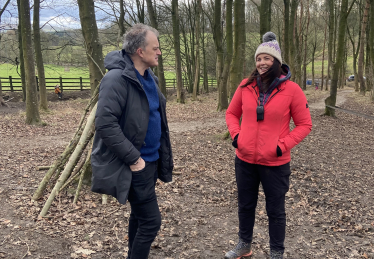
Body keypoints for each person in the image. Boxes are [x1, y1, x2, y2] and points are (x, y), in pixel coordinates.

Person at [225, 32, 312, 259]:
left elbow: (304, 124)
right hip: (244, 159)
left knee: (275, 211)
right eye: (258, 59)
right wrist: (236, 137)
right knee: (245, 205)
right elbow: (232, 113)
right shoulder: (245, 86)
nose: (262, 63)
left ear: (277, 61)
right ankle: (244, 245)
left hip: (275, 162)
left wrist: (282, 146)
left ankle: (276, 253)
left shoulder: (292, 90)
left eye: (267, 58)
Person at [90, 23, 173, 259]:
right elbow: (105, 124)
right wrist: (134, 158)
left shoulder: (149, 77)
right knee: (151, 221)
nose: (159, 52)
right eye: (155, 48)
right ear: (140, 51)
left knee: (139, 216)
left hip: (151, 161)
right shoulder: (117, 79)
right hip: (136, 163)